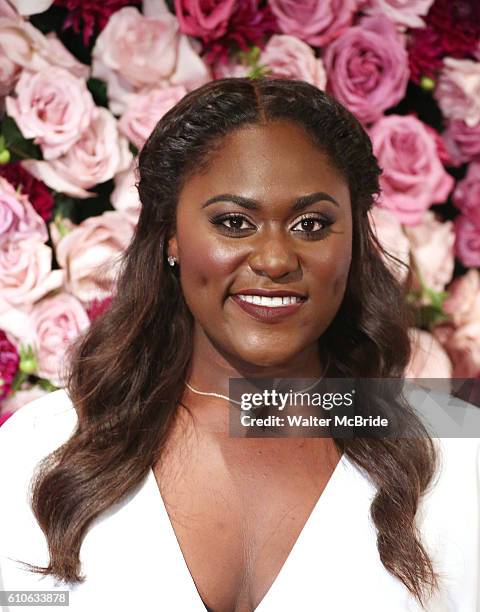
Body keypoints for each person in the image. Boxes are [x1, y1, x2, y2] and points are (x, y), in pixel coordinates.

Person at [0, 77, 478, 612]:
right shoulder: (40, 448)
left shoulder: (460, 449)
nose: (275, 259)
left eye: (312, 223)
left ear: (357, 242)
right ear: (171, 236)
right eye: (233, 222)